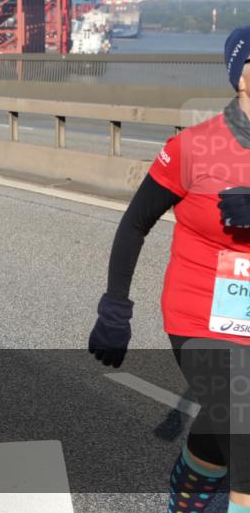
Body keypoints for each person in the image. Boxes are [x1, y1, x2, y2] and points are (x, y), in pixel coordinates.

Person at [88, 26, 250, 513]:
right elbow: (135, 223)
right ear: (241, 77)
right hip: (201, 311)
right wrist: (116, 308)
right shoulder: (194, 147)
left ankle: (192, 479)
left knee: (225, 422)